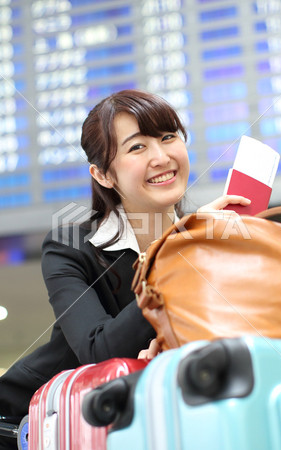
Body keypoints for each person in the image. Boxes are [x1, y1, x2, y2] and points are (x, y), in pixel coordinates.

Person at [0, 89, 250, 448]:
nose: (161, 157)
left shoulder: (211, 240)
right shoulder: (71, 247)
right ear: (103, 175)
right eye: (137, 147)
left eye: (168, 137)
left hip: (161, 418)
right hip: (34, 423)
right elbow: (99, 350)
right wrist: (180, 248)